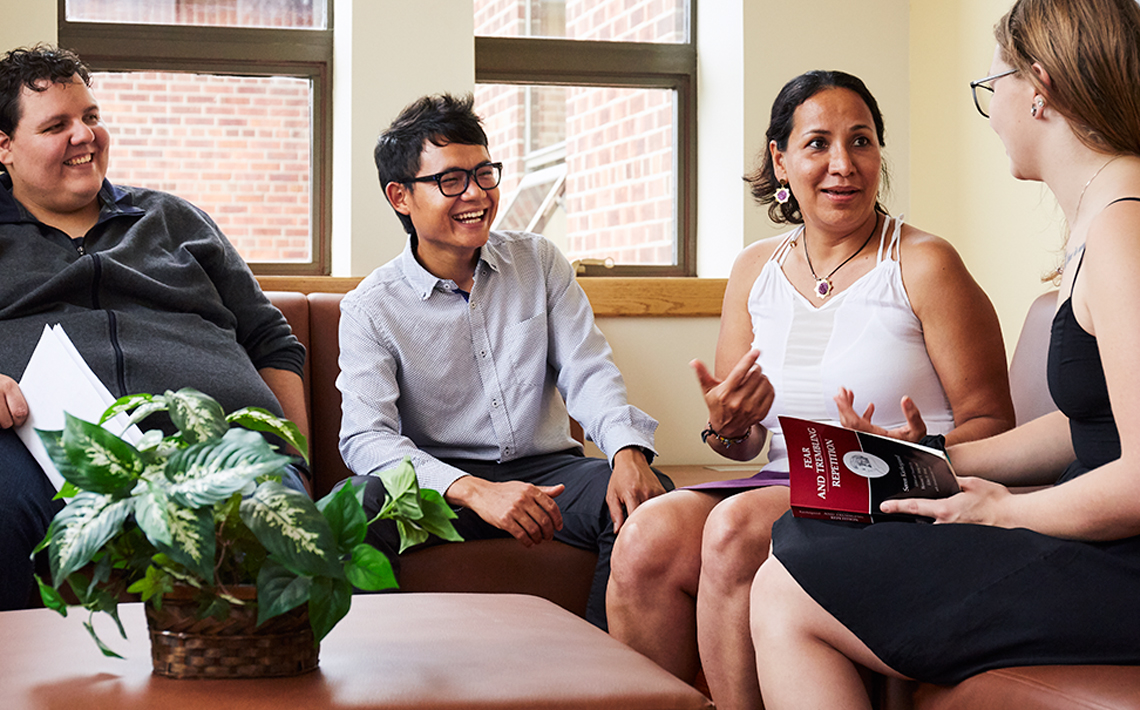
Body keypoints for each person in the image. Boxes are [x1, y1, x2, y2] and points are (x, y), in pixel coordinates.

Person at [749, 1, 1140, 707]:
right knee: (802, 542)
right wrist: (932, 461)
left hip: (1123, 566)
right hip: (1102, 542)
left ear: (1039, 87)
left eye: (992, 88)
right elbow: (1095, 425)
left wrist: (1007, 511)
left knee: (789, 586)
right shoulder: (1107, 215)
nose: (991, 117)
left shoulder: (1123, 230)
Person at [606, 70, 1016, 709]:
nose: (842, 165)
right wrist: (728, 427)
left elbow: (994, 422)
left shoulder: (924, 263)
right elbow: (742, 446)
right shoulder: (755, 269)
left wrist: (917, 450)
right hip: (785, 483)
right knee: (645, 539)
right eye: (818, 144)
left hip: (896, 491)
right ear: (781, 160)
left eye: (861, 141)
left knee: (734, 528)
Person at [336, 93, 671, 630]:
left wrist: (628, 451)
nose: (476, 194)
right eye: (450, 181)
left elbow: (588, 369)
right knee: (352, 508)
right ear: (400, 196)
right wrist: (475, 490)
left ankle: (604, 664)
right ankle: (383, 669)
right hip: (441, 484)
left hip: (549, 474)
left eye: (484, 174)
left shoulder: (538, 261)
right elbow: (365, 437)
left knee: (651, 502)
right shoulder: (370, 308)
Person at [0, 44, 310, 610]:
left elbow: (273, 342)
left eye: (91, 116)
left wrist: (294, 459)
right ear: (4, 146)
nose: (85, 136)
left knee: (281, 519)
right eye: (56, 125)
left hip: (215, 445)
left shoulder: (173, 218)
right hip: (45, 453)